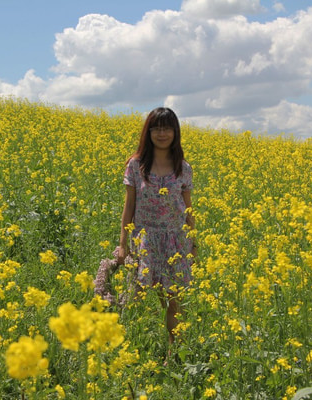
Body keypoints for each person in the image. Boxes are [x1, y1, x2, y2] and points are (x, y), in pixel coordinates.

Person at [118, 107, 196, 360]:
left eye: (167, 128)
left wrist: (193, 243)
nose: (162, 133)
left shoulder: (183, 167)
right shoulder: (136, 164)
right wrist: (123, 244)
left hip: (176, 240)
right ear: (148, 131)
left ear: (175, 132)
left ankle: (174, 355)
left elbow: (188, 209)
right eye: (156, 128)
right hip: (144, 240)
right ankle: (131, 355)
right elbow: (129, 206)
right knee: (135, 299)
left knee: (174, 302)